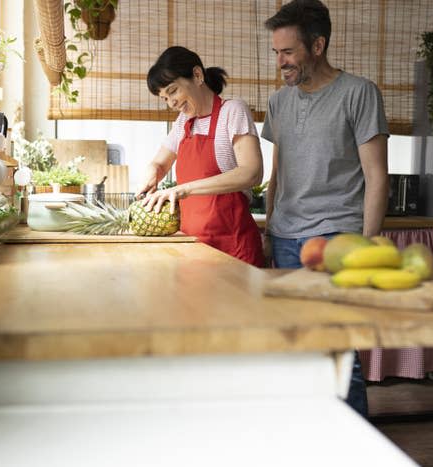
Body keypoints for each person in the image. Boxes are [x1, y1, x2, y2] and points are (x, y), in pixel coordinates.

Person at [262, 0, 390, 417]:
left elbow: (376, 176)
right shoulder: (279, 102)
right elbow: (278, 173)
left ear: (317, 46)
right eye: (276, 52)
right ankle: (308, 437)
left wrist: (369, 248)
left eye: (288, 52)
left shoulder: (359, 93)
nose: (280, 62)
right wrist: (268, 230)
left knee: (339, 349)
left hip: (337, 235)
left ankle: (355, 446)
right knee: (296, 346)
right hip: (285, 237)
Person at [138, 46, 265, 267]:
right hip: (194, 250)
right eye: (165, 98)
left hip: (234, 250)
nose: (172, 103)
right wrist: (152, 175)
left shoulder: (232, 111)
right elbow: (159, 162)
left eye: (173, 90)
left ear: (197, 75)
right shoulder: (183, 123)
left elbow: (251, 173)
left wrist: (183, 189)